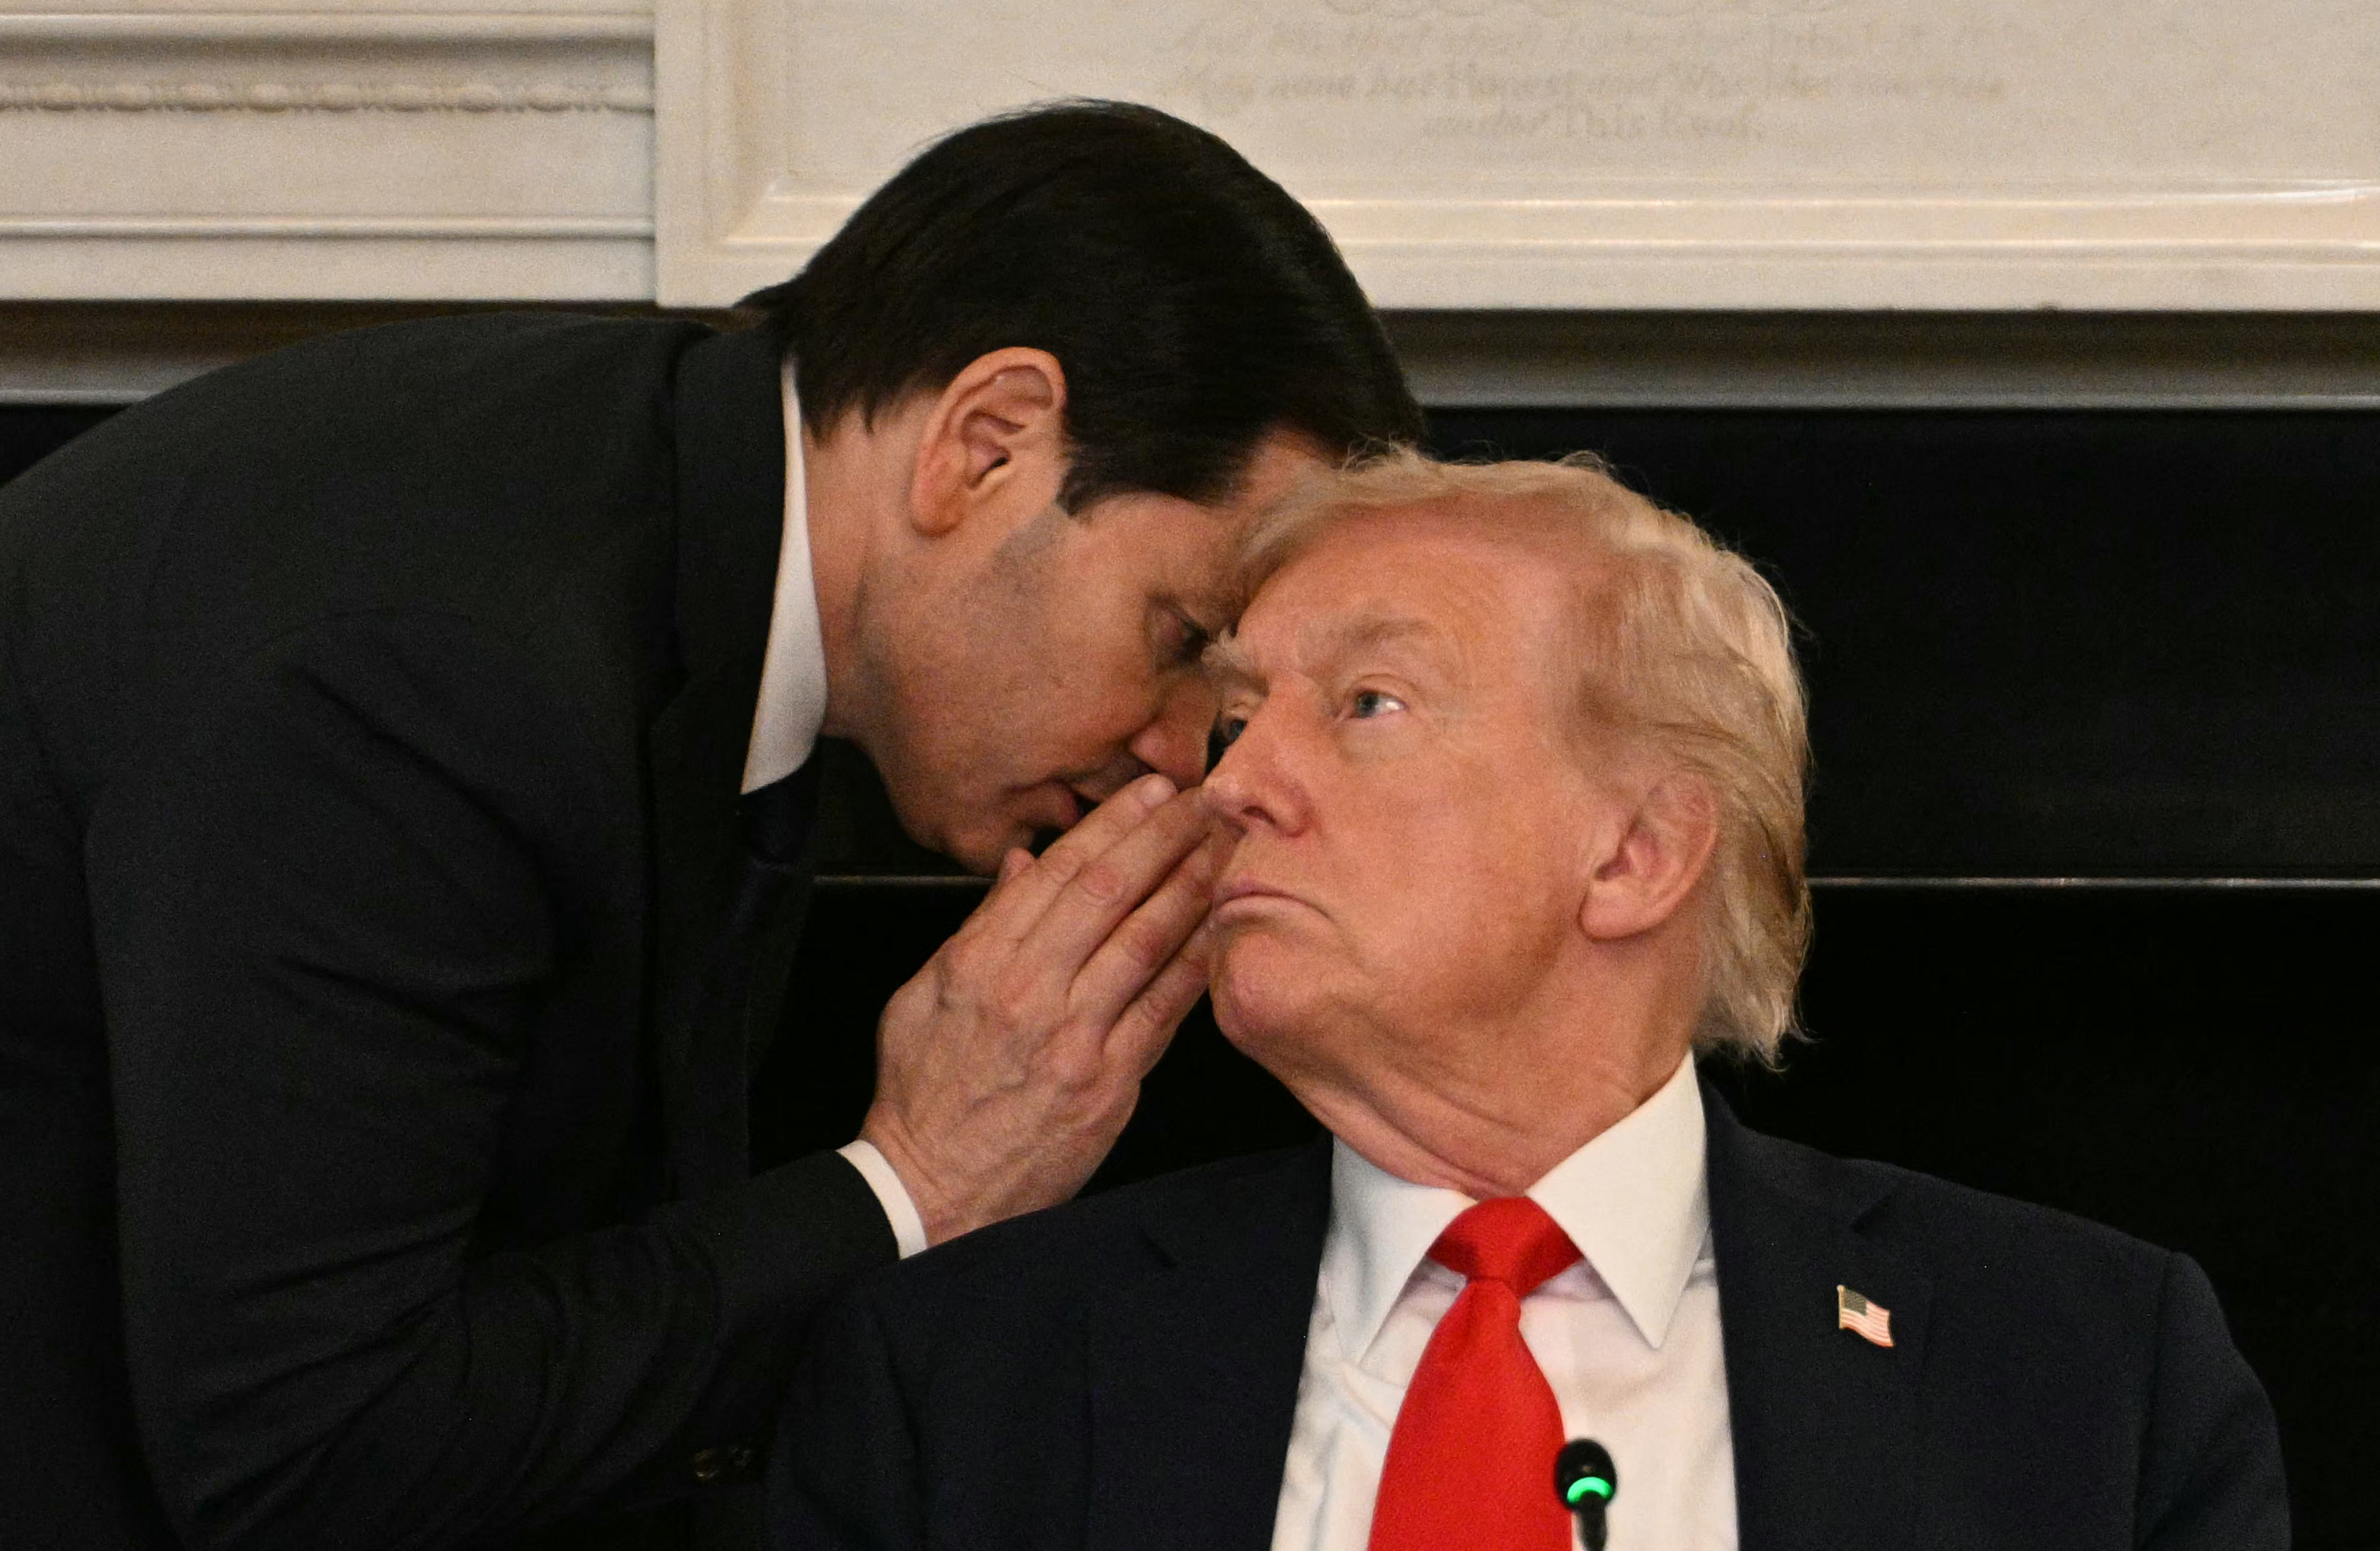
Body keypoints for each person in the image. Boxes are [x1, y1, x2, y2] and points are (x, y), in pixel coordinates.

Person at [0, 102, 1421, 1551]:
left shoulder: (700, 517)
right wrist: (919, 1179)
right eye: (1180, 634)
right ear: (987, 442)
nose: (1188, 756)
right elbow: (308, 1452)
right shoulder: (433, 669)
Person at [767, 450, 2288, 1551]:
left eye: (1368, 704)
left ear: (1636, 850)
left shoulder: (2088, 1366)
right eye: (1236, 717)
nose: (1233, 782)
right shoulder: (963, 1376)